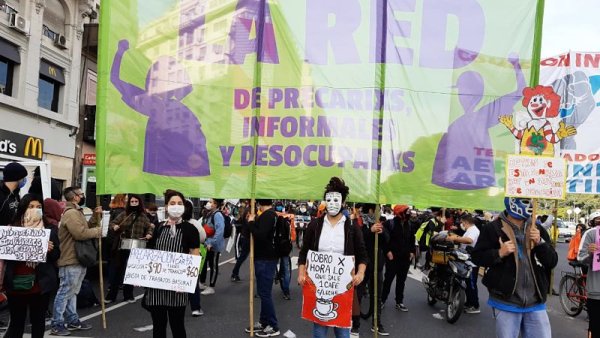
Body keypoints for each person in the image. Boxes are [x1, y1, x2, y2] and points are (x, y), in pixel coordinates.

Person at [471, 197, 557, 338]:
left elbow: (552, 261)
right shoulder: (493, 228)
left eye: (529, 199)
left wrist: (540, 242)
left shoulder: (538, 228)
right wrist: (499, 253)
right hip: (506, 301)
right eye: (524, 200)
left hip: (535, 301)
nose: (529, 203)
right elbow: (477, 257)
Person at [298, 177, 368, 338]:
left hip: (343, 289)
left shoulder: (352, 227)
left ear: (343, 202)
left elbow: (363, 255)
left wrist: (360, 273)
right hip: (318, 287)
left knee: (343, 333)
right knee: (319, 333)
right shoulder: (315, 225)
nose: (332, 203)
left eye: (336, 199)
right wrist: (301, 273)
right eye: (329, 199)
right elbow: (304, 253)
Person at [145, 190, 200, 338]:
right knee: (158, 327)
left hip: (178, 287)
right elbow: (150, 254)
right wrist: (141, 276)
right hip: (156, 287)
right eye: (172, 203)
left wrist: (186, 283)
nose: (176, 206)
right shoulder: (159, 227)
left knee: (177, 326)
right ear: (166, 206)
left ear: (184, 207)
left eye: (180, 203)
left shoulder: (190, 229)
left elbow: (194, 258)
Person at [3, 194, 59, 338]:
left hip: (40, 285)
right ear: (23, 208)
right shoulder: (12, 229)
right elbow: (6, 255)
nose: (35, 210)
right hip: (16, 284)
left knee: (38, 322)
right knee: (17, 323)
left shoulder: (50, 229)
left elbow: (57, 256)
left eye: (39, 207)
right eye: (31, 207)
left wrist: (48, 250)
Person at [50, 187, 102, 336]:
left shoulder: (76, 212)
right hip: (71, 258)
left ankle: (72, 320)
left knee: (72, 292)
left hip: (78, 258)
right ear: (75, 197)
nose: (83, 196)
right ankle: (57, 323)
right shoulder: (72, 213)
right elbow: (80, 233)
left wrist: (95, 217)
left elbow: (85, 228)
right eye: (81, 194)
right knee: (65, 292)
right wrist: (98, 231)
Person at [104, 194, 153, 304]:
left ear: (139, 203)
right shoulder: (124, 214)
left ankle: (128, 295)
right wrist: (114, 226)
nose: (134, 203)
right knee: (118, 270)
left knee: (131, 271)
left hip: (137, 245)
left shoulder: (143, 216)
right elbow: (113, 223)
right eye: (132, 202)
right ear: (129, 203)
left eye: (136, 202)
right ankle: (111, 296)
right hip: (123, 244)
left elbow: (149, 227)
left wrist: (149, 234)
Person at [245, 199, 281, 337]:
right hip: (265, 258)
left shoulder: (268, 216)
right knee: (263, 292)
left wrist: (252, 222)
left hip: (265, 259)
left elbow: (260, 235)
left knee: (264, 293)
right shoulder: (270, 215)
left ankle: (273, 325)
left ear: (259, 202)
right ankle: (264, 321)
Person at [381, 204, 415, 314]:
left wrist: (412, 252)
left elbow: (411, 239)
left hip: (405, 258)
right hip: (392, 258)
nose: (408, 214)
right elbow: (383, 239)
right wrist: (387, 252)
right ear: (400, 213)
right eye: (406, 212)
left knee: (401, 281)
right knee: (388, 280)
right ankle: (382, 300)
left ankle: (399, 302)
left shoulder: (409, 224)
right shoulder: (389, 224)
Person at [447, 214, 480, 314]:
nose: (462, 224)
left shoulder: (473, 230)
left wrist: (455, 238)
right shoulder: (470, 230)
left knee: (471, 284)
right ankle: (469, 303)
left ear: (466, 222)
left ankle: (475, 305)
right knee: (467, 283)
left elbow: (469, 240)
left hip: (472, 261)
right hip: (466, 260)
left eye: (462, 222)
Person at [577, 211, 600, 338]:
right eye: (597, 220)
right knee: (596, 329)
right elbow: (580, 258)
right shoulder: (591, 234)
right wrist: (590, 253)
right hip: (597, 293)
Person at [183, 199, 206, 317]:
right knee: (193, 281)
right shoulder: (195, 223)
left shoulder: (169, 222)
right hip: (192, 255)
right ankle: (195, 308)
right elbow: (203, 237)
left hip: (176, 256)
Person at [199, 198, 225, 295]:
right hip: (207, 243)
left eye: (211, 202)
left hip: (213, 245)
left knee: (213, 265)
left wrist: (212, 243)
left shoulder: (217, 215)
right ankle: (202, 282)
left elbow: (220, 231)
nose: (208, 203)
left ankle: (211, 286)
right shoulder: (210, 213)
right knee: (204, 263)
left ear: (215, 204)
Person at [231, 201, 250, 282]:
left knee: (243, 256)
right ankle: (234, 273)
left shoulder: (248, 210)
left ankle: (235, 273)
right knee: (243, 256)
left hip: (246, 236)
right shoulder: (249, 211)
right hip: (247, 236)